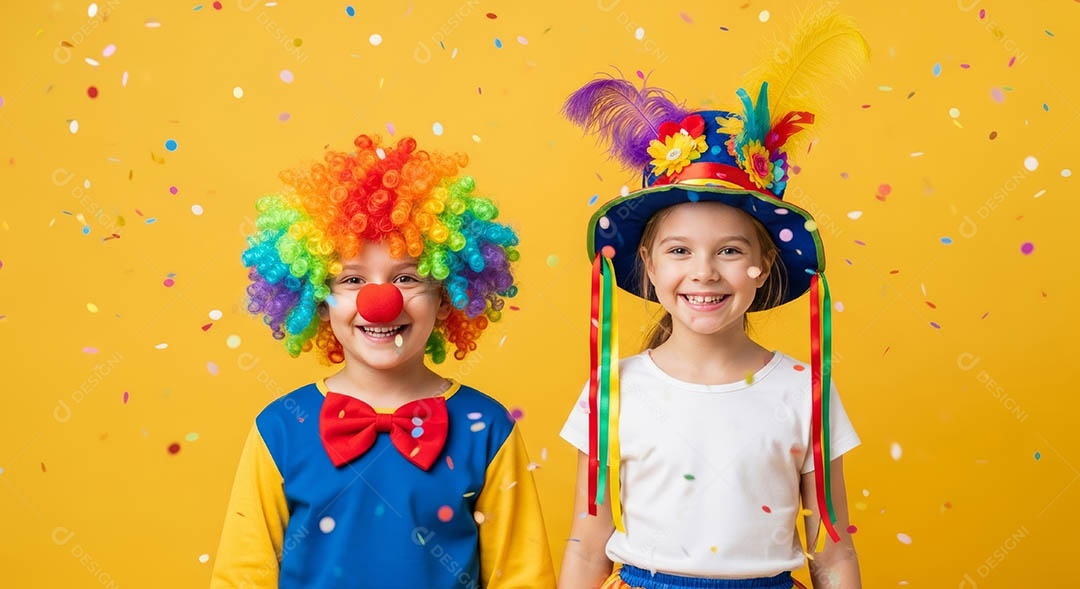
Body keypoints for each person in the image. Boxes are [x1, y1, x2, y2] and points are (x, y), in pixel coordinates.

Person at [557, 12, 870, 589]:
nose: (703, 272)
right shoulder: (613, 391)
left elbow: (833, 551)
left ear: (763, 266)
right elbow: (586, 542)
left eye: (729, 250)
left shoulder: (804, 391)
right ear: (648, 265)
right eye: (679, 250)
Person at [211, 132, 556, 588]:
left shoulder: (486, 428)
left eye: (406, 278)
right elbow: (242, 576)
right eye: (352, 280)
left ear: (445, 297)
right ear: (317, 299)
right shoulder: (280, 428)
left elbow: (521, 577)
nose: (380, 302)